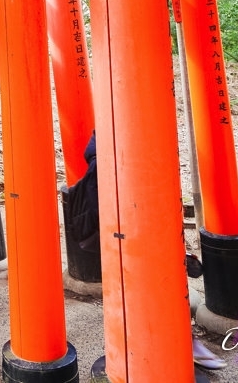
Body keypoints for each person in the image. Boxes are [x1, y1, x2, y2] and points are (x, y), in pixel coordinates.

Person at [70, 132, 226, 379]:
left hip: (136, 235)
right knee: (151, 292)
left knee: (153, 290)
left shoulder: (117, 152)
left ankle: (178, 341)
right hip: (129, 239)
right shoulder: (109, 160)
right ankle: (172, 344)